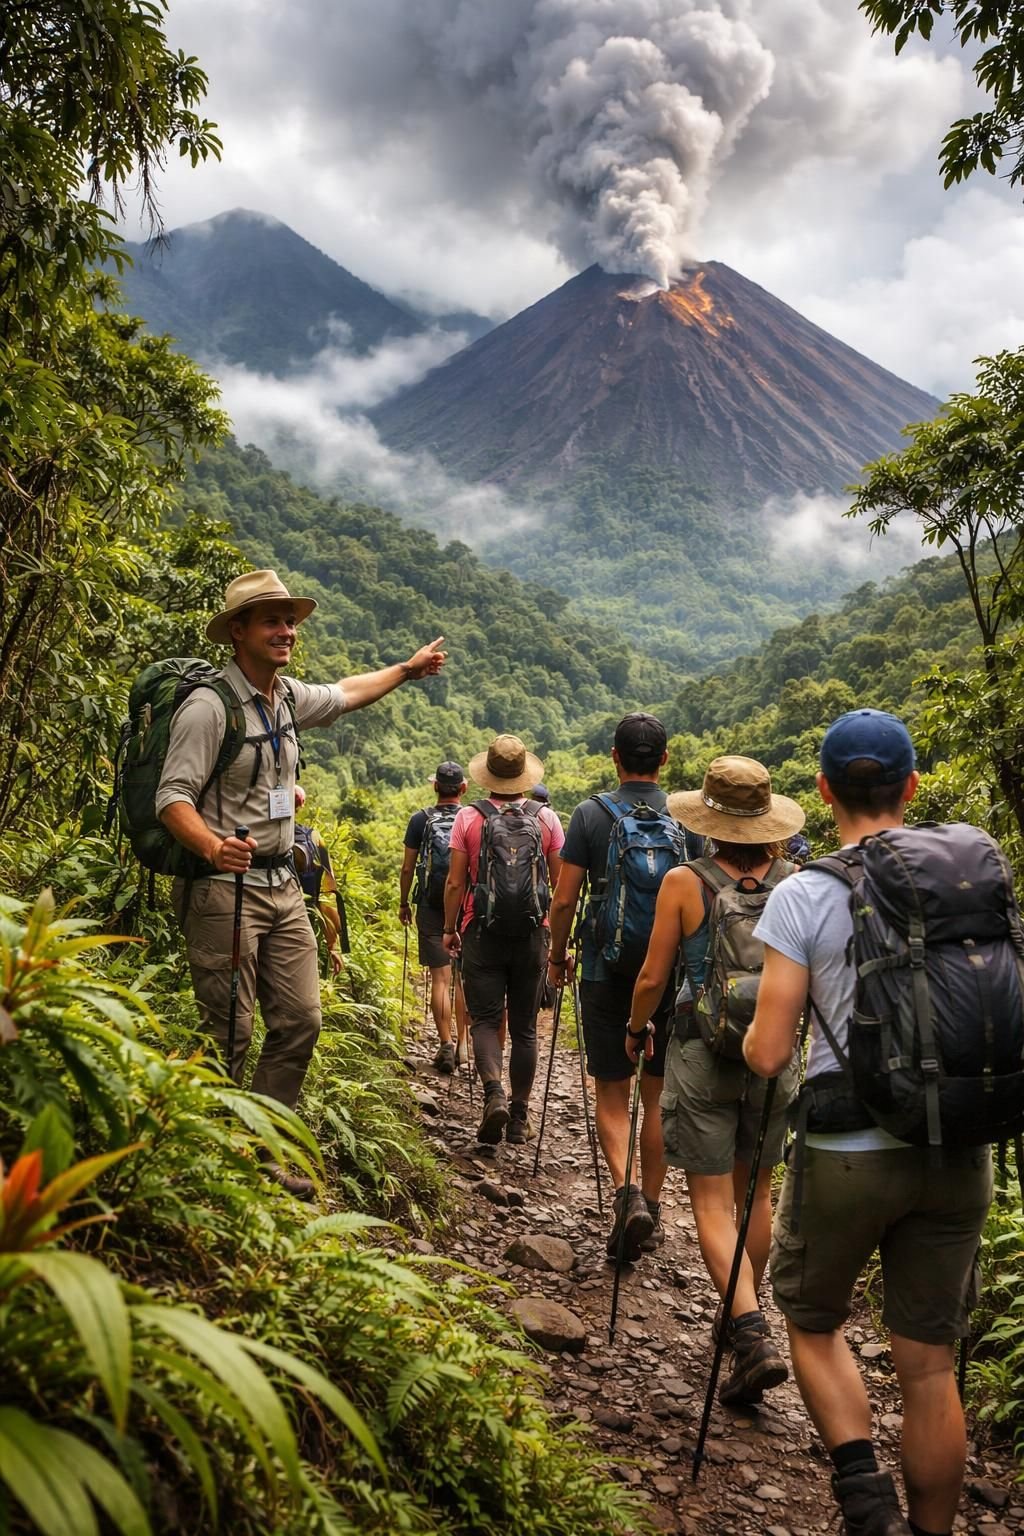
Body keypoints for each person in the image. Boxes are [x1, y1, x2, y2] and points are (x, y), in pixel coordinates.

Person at [744, 710, 994, 1536]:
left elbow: (771, 1053)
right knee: (928, 1367)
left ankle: (863, 1493)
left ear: (821, 792)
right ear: (912, 788)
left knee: (813, 1324)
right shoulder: (969, 886)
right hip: (957, 1142)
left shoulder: (804, 894)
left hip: (846, 1149)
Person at [156, 568, 446, 1192]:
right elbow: (172, 797)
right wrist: (211, 845)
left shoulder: (285, 697)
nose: (287, 630)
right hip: (222, 890)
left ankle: (260, 1148)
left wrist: (407, 668)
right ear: (237, 631)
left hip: (283, 885)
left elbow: (345, 692)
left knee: (302, 1020)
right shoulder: (209, 708)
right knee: (227, 1031)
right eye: (272, 620)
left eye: (290, 620)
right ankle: (207, 1165)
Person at [627, 755, 803, 1405]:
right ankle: (745, 1313)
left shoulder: (684, 881)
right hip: (771, 1056)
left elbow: (653, 977)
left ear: (708, 819)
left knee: (706, 1203)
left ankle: (750, 1331)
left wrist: (635, 1028)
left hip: (702, 1054)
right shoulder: (797, 882)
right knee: (754, 1198)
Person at [548, 712, 693, 1260]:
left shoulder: (590, 814)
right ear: (665, 759)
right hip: (671, 974)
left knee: (613, 1087)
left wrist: (558, 957)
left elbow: (564, 900)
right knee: (655, 1093)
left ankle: (626, 1192)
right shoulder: (686, 820)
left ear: (614, 757)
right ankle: (652, 1206)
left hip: (606, 969)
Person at [442, 735, 564, 1144]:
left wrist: (449, 929)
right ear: (525, 777)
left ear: (486, 776)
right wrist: (559, 940)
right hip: (533, 935)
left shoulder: (469, 818)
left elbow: (456, 882)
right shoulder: (546, 819)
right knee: (526, 1028)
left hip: (482, 931)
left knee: (486, 1020)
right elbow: (559, 885)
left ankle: (493, 1093)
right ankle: (518, 1116)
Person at [399, 761, 470, 1072]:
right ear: (463, 788)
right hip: (466, 904)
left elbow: (407, 867)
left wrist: (404, 902)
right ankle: (464, 1044)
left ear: (435, 787)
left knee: (440, 978)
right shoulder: (473, 818)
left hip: (430, 904)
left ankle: (445, 1043)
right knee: (462, 977)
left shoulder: (420, 820)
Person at [292, 784, 346, 978]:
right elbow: (327, 893)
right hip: (302, 926)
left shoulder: (257, 836)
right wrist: (333, 946)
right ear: (301, 805)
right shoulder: (314, 838)